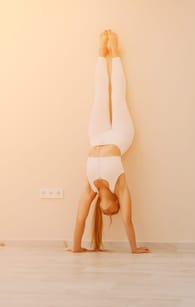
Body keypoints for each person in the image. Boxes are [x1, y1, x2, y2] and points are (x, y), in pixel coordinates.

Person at [71, 30, 149, 254]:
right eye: (114, 211)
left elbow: (79, 220)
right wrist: (134, 248)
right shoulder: (120, 187)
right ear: (116, 203)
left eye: (107, 213)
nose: (110, 212)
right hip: (121, 137)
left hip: (96, 137)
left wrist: (77, 248)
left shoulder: (90, 189)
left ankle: (100, 53)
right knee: (117, 97)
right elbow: (128, 221)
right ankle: (114, 53)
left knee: (99, 96)